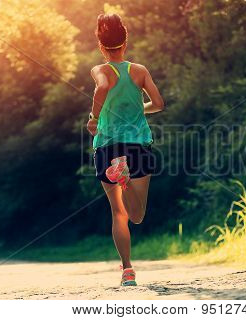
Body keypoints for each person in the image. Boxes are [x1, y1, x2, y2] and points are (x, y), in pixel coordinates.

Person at [86, 13, 164, 286]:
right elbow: (158, 103)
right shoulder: (140, 71)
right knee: (138, 215)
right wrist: (140, 109)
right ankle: (126, 178)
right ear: (125, 41)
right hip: (138, 144)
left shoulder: (100, 70)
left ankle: (127, 270)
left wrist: (95, 118)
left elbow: (104, 87)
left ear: (101, 45)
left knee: (119, 214)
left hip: (108, 147)